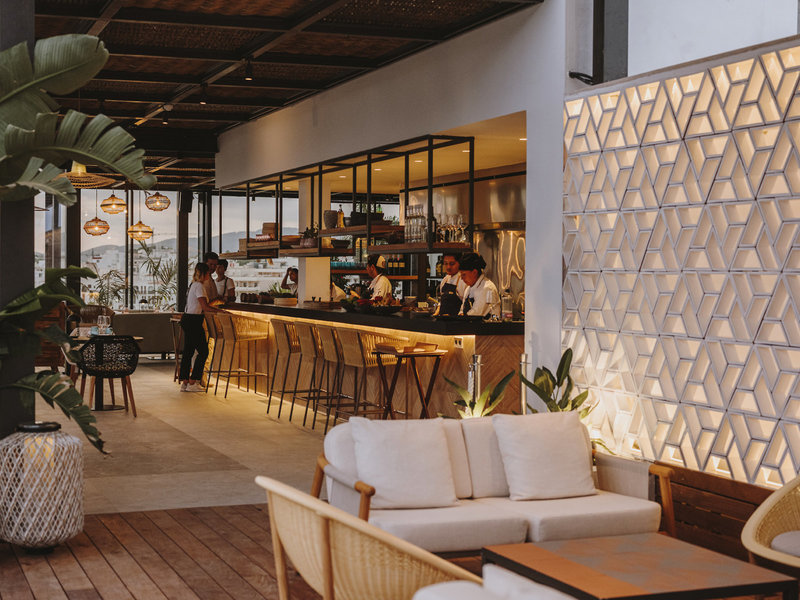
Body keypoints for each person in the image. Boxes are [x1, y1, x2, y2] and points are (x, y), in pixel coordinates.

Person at [180, 263, 224, 392]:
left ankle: (185, 382)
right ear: (205, 274)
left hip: (187, 319)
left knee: (188, 352)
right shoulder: (199, 286)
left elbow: (202, 304)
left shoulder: (193, 284)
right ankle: (194, 382)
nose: (209, 276)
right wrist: (220, 311)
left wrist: (214, 303)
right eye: (208, 273)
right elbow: (205, 307)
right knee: (204, 352)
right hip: (194, 321)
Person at [459, 252, 500, 318]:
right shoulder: (468, 289)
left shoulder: (487, 288)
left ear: (474, 272)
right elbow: (462, 311)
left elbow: (475, 314)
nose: (461, 278)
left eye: (464, 274)